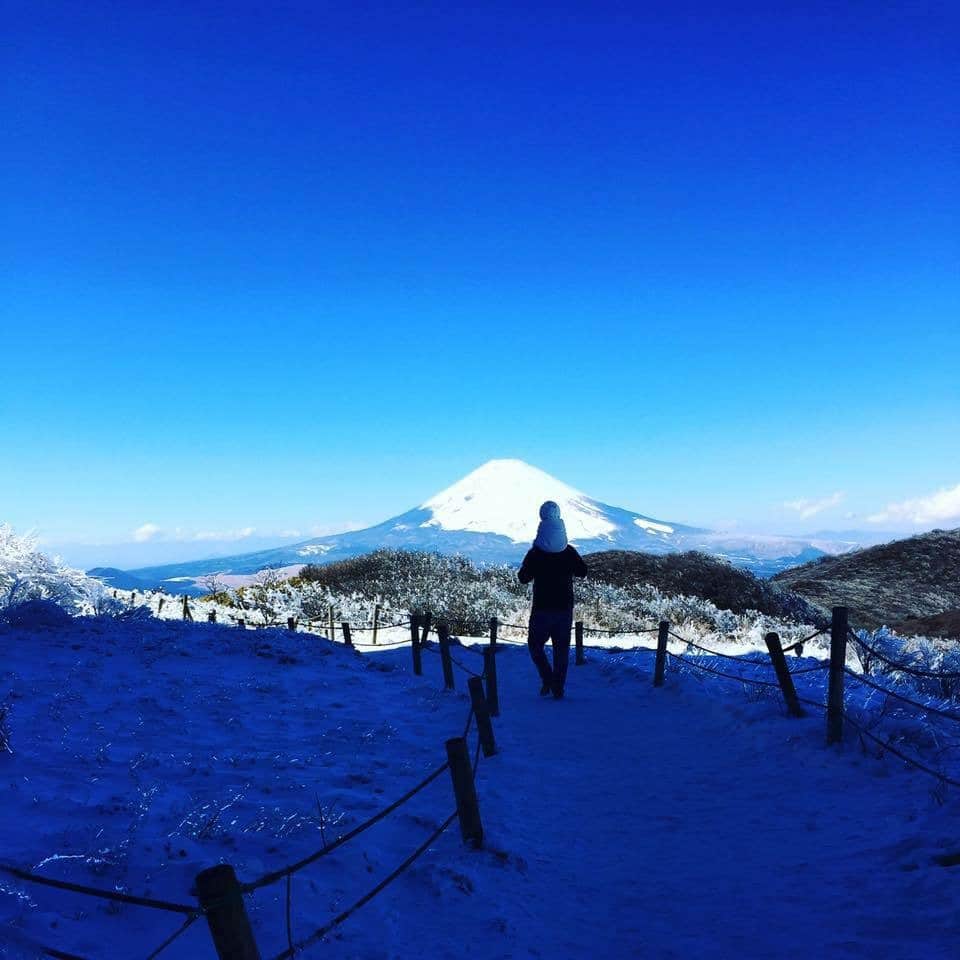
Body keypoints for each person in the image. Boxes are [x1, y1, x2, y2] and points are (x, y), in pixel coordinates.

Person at [517, 501, 588, 699]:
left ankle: (547, 678)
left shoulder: (536, 553)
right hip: (564, 608)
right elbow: (583, 571)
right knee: (561, 650)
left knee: (534, 645)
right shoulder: (569, 551)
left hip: (541, 608)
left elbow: (523, 578)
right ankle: (558, 687)